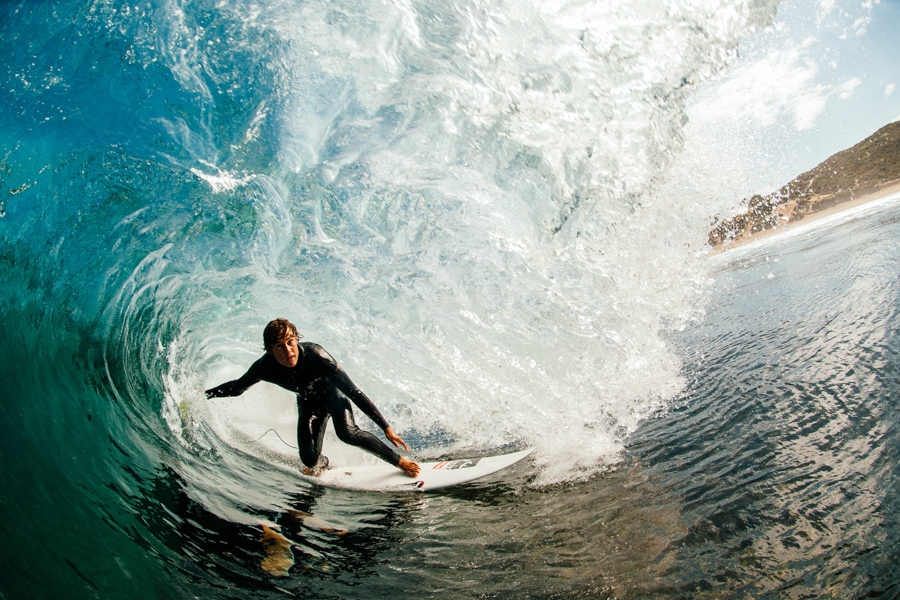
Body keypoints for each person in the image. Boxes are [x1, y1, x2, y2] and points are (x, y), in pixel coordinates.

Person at [205, 318, 420, 478]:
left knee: (347, 433)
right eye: (279, 346)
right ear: (270, 350)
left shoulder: (317, 356)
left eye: (290, 342)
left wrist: (385, 427)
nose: (288, 350)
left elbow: (353, 392)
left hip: (334, 396)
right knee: (308, 459)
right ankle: (323, 464)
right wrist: (206, 395)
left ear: (297, 339)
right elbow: (237, 388)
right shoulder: (264, 367)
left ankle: (399, 461)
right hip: (309, 403)